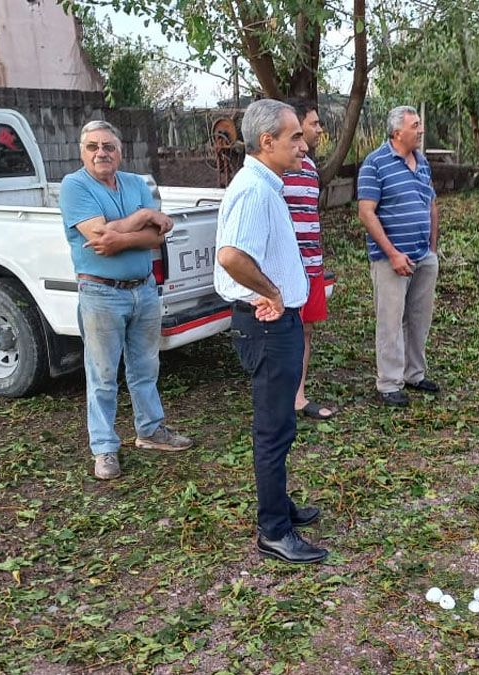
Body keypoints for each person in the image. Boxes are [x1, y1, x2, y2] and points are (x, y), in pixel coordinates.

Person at [215, 99, 328, 565]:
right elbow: (231, 256)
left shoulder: (267, 184)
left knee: (281, 424)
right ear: (267, 142)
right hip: (265, 324)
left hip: (276, 319)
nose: (303, 144)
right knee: (273, 429)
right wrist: (273, 293)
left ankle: (280, 508)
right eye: (294, 138)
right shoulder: (255, 190)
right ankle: (272, 531)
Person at [59, 120, 193, 481]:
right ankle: (104, 448)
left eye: (108, 146)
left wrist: (123, 235)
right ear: (82, 151)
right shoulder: (74, 186)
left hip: (144, 289)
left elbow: (154, 239)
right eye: (93, 147)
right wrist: (144, 216)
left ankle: (150, 430)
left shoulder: (135, 182)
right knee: (102, 375)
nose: (101, 152)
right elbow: (99, 236)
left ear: (120, 151)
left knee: (145, 367)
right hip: (101, 292)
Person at [357, 106, 441, 406]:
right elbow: (366, 213)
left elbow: (430, 203)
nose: (420, 130)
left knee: (419, 318)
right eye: (415, 125)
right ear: (397, 132)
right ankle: (389, 383)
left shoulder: (421, 161)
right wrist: (392, 253)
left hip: (423, 256)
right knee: (391, 321)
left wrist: (432, 248)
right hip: (390, 258)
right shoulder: (375, 164)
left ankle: (414, 374)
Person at [281, 100, 333, 420]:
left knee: (306, 330)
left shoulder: (311, 168)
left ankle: (298, 396)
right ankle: (279, 397)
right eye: (314, 124)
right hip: (286, 269)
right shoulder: (275, 169)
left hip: (311, 265)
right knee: (283, 331)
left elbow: (311, 215)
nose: (319, 129)